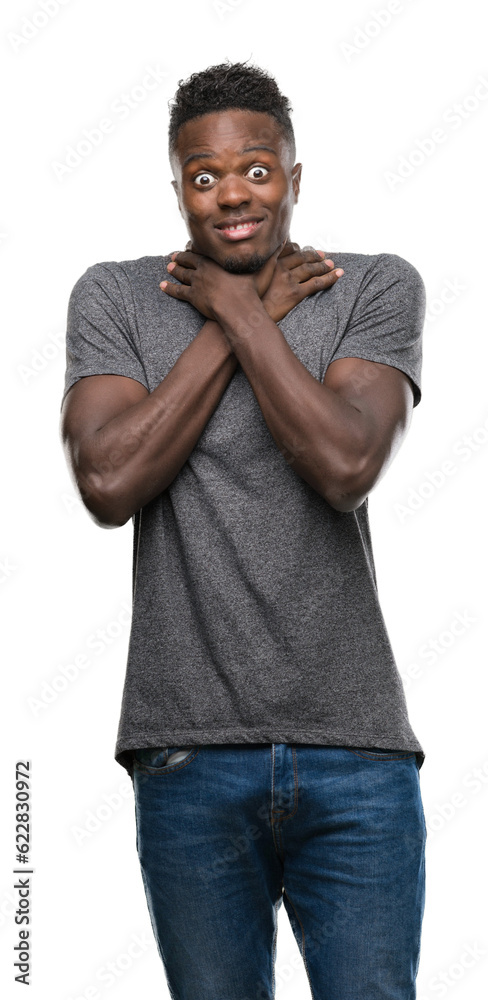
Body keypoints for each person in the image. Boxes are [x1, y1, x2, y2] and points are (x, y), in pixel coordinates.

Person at [60, 60, 427, 1000]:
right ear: (179, 185)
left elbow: (345, 467)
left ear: (294, 179)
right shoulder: (114, 297)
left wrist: (234, 309)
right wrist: (237, 314)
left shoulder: (369, 287)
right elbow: (108, 481)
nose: (234, 196)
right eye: (206, 175)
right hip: (186, 749)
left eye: (257, 170)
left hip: (356, 756)